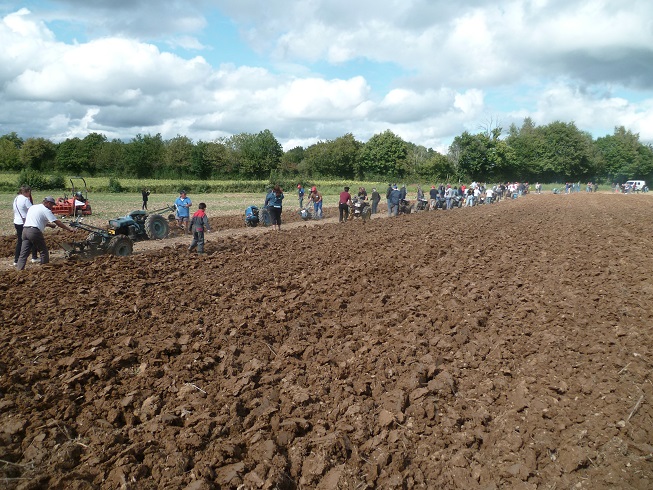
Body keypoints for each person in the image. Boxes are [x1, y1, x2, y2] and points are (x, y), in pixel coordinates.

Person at [16, 196, 75, 270]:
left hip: (25, 231)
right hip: (34, 232)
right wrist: (69, 229)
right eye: (52, 205)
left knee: (23, 254)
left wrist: (49, 225)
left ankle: (19, 270)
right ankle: (45, 270)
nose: (52, 207)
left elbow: (36, 220)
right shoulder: (46, 210)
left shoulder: (33, 207)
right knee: (43, 251)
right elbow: (58, 222)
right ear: (48, 203)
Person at [12, 185, 39, 266]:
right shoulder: (25, 199)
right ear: (27, 192)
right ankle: (34, 257)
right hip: (25, 222)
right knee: (33, 238)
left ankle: (16, 260)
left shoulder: (16, 198)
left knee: (20, 241)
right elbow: (32, 210)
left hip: (17, 222)